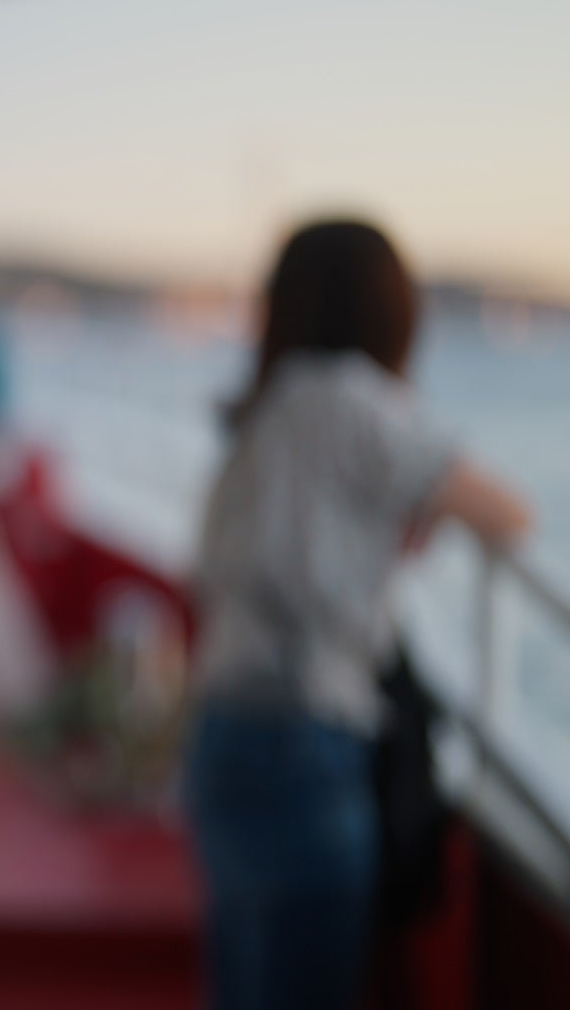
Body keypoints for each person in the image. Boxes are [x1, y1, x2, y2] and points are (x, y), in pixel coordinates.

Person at [183, 220, 531, 1010]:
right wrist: (423, 511)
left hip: (223, 736)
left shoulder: (260, 414)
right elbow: (509, 514)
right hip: (307, 743)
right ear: (388, 309)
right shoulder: (356, 398)